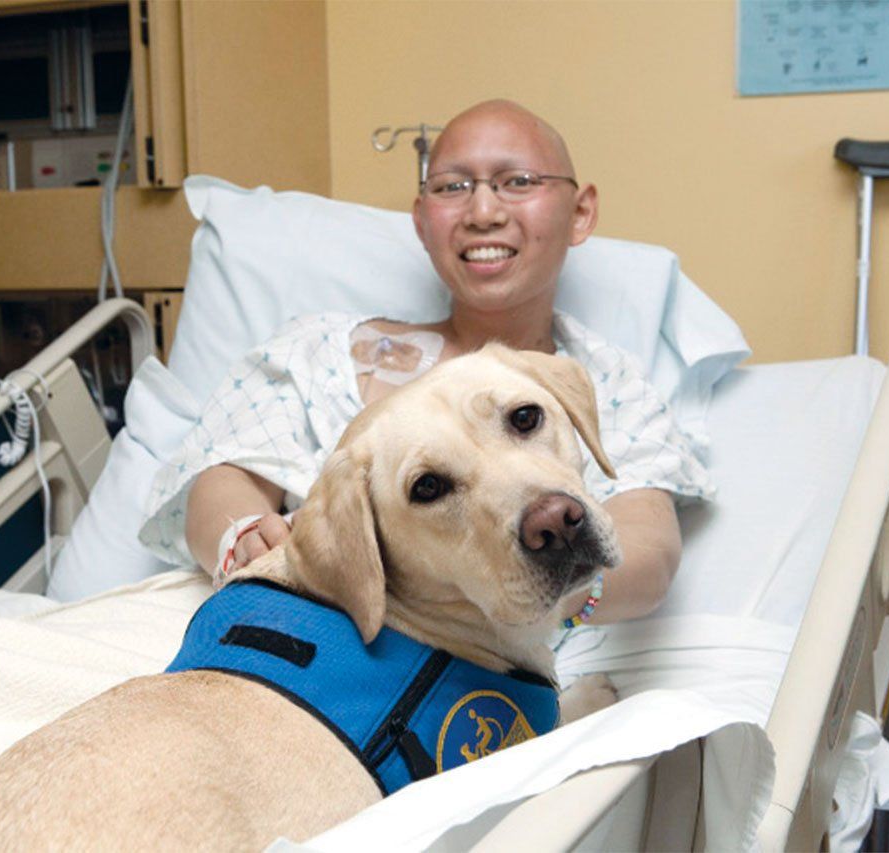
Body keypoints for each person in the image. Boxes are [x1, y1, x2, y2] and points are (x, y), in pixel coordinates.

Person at [140, 99, 712, 626]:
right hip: (319, 643)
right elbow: (223, 479)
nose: (483, 210)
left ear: (581, 212)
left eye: (518, 182)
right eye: (453, 186)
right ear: (420, 221)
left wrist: (540, 589)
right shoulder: (318, 352)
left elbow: (648, 549)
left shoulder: (609, 384)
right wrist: (250, 545)